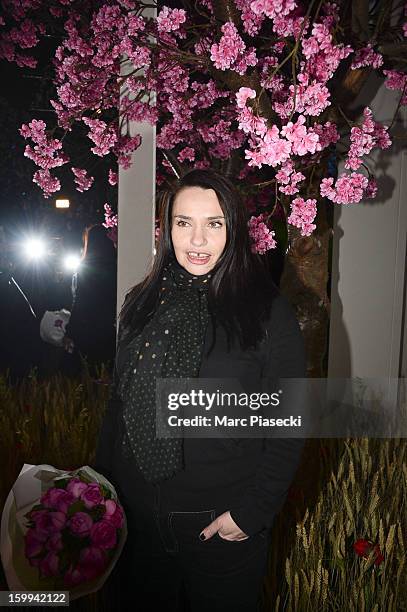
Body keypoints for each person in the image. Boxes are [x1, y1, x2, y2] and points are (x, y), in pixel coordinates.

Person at [94, 168, 306, 612]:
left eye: (214, 224)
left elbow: (290, 420)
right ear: (167, 228)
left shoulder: (267, 312)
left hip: (219, 523)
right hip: (134, 523)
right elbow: (120, 402)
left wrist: (251, 514)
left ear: (233, 228)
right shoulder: (141, 301)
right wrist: (101, 491)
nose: (197, 240)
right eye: (183, 222)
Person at [63, 223, 117, 377]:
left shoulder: (87, 268)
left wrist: (70, 331)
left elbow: (80, 302)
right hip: (108, 328)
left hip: (87, 328)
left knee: (86, 374)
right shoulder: (116, 266)